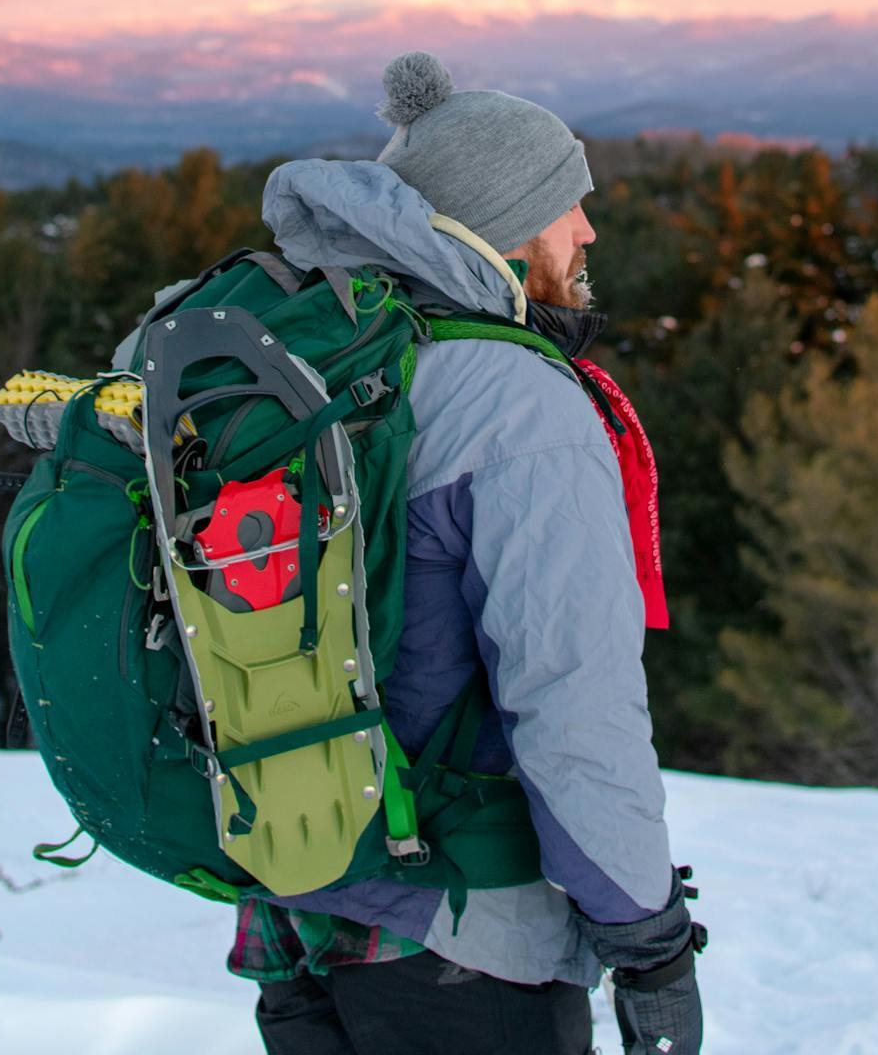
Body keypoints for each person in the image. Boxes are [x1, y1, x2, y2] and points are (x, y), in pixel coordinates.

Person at [230, 51, 704, 1055]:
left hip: (294, 908)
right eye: (566, 206)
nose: (586, 230)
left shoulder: (319, 363)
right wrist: (646, 936)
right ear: (504, 227)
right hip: (461, 936)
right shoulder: (513, 403)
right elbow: (570, 699)